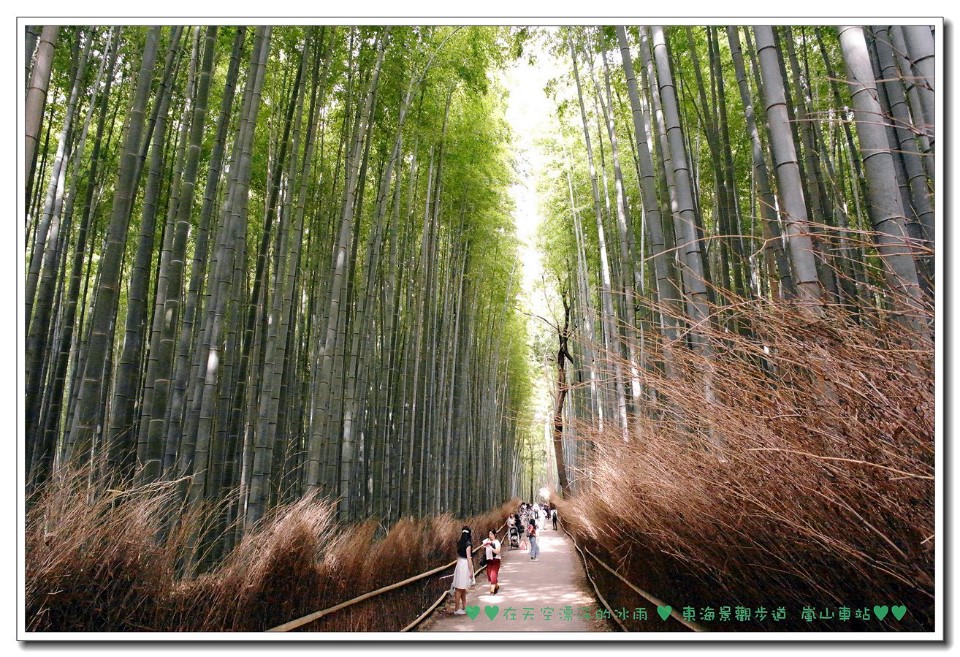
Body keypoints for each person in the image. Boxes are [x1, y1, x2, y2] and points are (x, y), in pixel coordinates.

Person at [451, 526, 475, 614]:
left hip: (459, 563)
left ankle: (465, 607)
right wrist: (471, 570)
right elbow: (469, 558)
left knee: (462, 587)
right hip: (464, 565)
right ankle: (456, 609)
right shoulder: (468, 544)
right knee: (460, 588)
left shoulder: (459, 542)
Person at [481, 529, 502, 595]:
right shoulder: (487, 541)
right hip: (489, 560)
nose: (490, 536)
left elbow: (498, 551)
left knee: (493, 574)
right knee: (489, 575)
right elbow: (482, 547)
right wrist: (484, 546)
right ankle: (496, 586)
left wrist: (491, 547)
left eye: (492, 534)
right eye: (489, 534)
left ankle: (492, 591)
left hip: (496, 560)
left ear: (495, 535)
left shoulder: (497, 542)